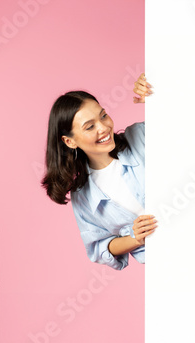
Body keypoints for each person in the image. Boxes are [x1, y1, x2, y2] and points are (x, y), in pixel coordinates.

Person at [41, 73, 155, 270]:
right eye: (89, 126)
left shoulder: (141, 136)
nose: (104, 128)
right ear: (70, 141)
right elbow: (99, 246)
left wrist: (156, 99)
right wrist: (135, 238)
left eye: (103, 115)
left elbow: (188, 125)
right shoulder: (84, 196)